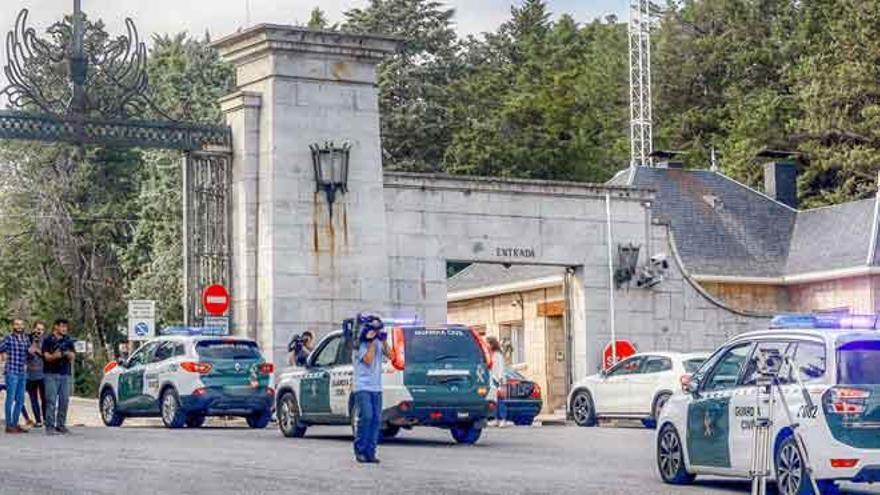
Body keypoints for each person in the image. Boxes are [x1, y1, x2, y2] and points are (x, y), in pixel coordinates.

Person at [352, 315, 390, 464]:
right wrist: (373, 342)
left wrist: (384, 340)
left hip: (376, 386)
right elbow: (368, 360)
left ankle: (371, 453)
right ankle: (360, 450)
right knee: (366, 417)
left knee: (376, 420)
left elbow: (391, 355)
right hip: (362, 386)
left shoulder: (378, 342)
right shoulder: (359, 345)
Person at [42, 319, 74, 435]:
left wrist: (67, 354)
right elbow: (46, 357)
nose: (64, 329)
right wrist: (57, 355)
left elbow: (72, 356)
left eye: (66, 327)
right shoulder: (48, 340)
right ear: (56, 327)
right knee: (51, 401)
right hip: (51, 373)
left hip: (65, 374)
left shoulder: (68, 340)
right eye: (62, 327)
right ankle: (49, 426)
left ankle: (61, 425)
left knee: (64, 400)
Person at [0, 319, 31, 433]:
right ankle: (9, 425)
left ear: (23, 326)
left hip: (22, 373)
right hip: (11, 372)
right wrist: (3, 354)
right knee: (10, 398)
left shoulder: (25, 339)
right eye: (17, 324)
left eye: (21, 324)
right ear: (13, 326)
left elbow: (28, 354)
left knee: (20, 399)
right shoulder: (8, 338)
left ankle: (14, 423)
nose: (19, 326)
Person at [25, 321, 46, 428]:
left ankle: (46, 419)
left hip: (43, 373)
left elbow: (47, 356)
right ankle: (38, 420)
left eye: (41, 329)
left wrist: (38, 351)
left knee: (44, 398)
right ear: (34, 329)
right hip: (30, 374)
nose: (39, 331)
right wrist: (32, 345)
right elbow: (26, 354)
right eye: (37, 329)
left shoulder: (46, 340)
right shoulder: (27, 339)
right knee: (33, 398)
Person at [487, 336, 508, 428]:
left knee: (500, 401)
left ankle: (503, 419)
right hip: (491, 380)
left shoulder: (498, 355)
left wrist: (500, 381)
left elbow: (500, 368)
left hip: (497, 380)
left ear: (492, 344)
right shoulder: (489, 354)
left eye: (488, 343)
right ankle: (496, 419)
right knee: (494, 401)